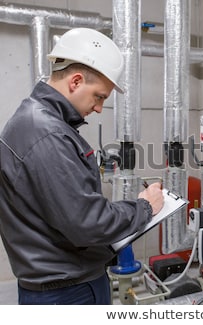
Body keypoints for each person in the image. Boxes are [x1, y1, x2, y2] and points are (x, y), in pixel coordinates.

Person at [0, 28, 164, 305]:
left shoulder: (35, 121)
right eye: (99, 96)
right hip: (66, 291)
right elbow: (89, 223)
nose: (99, 108)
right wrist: (145, 207)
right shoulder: (47, 133)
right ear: (76, 81)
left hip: (58, 283)